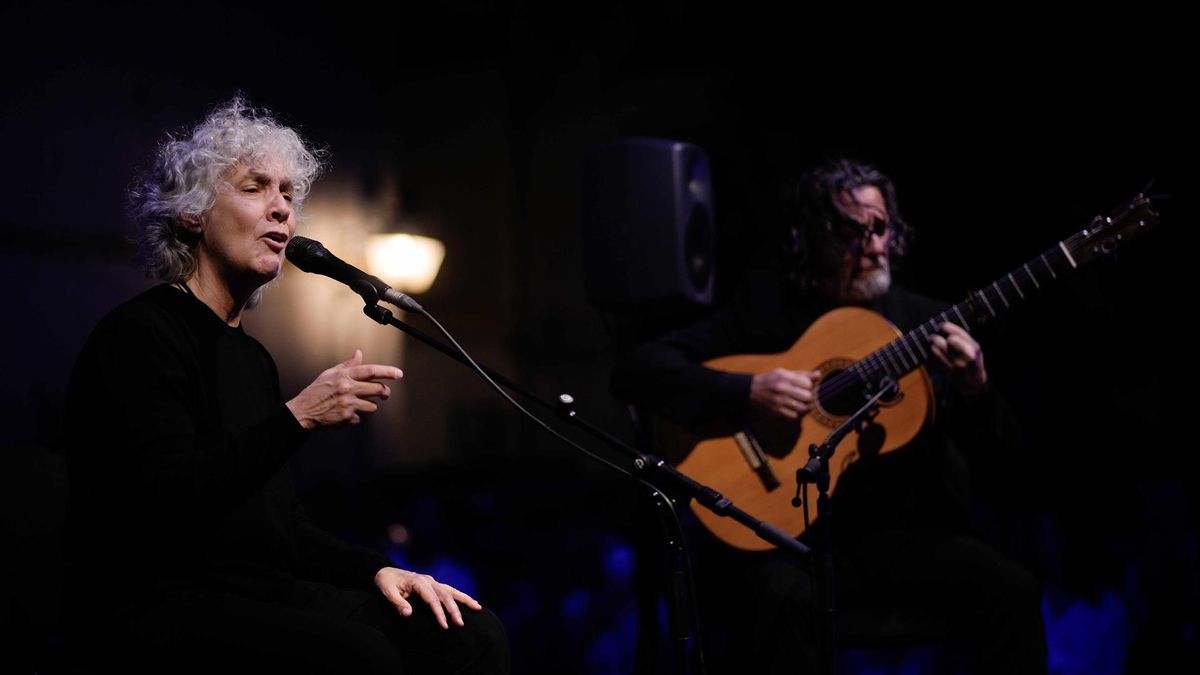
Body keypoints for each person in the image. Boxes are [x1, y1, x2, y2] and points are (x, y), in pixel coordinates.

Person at [63, 98, 508, 674]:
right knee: (362, 657)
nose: (281, 211)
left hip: (261, 592)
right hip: (162, 601)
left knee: (470, 635)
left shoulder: (250, 357)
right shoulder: (139, 335)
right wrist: (295, 418)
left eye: (289, 196)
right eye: (254, 189)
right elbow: (167, 500)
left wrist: (376, 570)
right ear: (193, 213)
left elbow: (281, 529)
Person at [612, 158, 1047, 674]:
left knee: (1013, 592)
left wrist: (976, 389)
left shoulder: (922, 323)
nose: (870, 244)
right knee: (775, 597)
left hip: (907, 535)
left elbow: (1009, 457)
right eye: (849, 230)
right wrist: (748, 389)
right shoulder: (767, 313)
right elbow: (638, 370)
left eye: (879, 227)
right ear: (811, 239)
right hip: (802, 544)